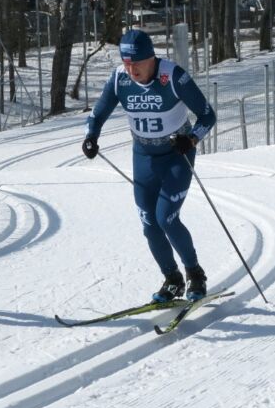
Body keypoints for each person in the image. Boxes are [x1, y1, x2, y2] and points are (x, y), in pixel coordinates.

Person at [82, 29, 216, 302]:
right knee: (148, 223)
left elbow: (207, 115)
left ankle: (195, 275)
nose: (132, 70)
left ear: (151, 58)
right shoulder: (120, 78)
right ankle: (173, 280)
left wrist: (191, 139)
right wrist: (91, 137)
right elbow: (98, 113)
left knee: (166, 217)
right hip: (143, 157)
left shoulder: (173, 76)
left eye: (137, 64)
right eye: (127, 63)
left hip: (176, 157)